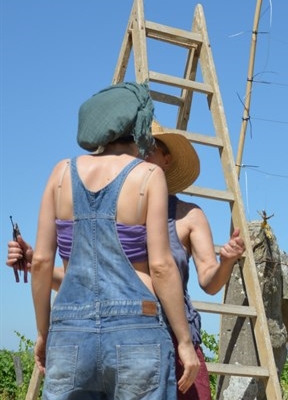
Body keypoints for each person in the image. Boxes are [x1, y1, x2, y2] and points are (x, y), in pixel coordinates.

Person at [9, 120, 245, 400]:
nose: (141, 153)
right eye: (139, 145)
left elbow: (209, 282)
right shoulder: (114, 213)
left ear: (167, 159)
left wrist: (226, 261)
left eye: (150, 148)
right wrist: (34, 262)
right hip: (121, 335)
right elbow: (86, 281)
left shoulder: (189, 215)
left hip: (174, 336)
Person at [29, 82, 199, 399]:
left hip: (70, 329)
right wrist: (185, 342)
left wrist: (43, 332)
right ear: (138, 126)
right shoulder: (148, 175)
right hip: (137, 325)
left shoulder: (61, 173)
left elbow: (40, 262)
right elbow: (161, 267)